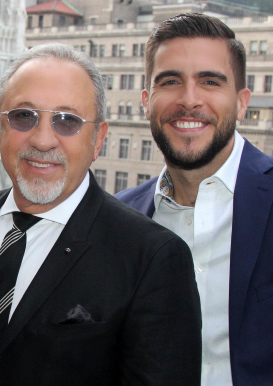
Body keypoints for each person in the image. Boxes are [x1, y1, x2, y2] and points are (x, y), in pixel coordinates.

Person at [0, 42, 201, 386]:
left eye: (67, 121)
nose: (43, 139)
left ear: (98, 139)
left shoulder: (152, 258)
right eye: (23, 116)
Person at [116, 13, 273, 386]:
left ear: (241, 102)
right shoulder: (117, 219)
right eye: (170, 81)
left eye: (209, 81)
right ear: (146, 100)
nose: (189, 100)